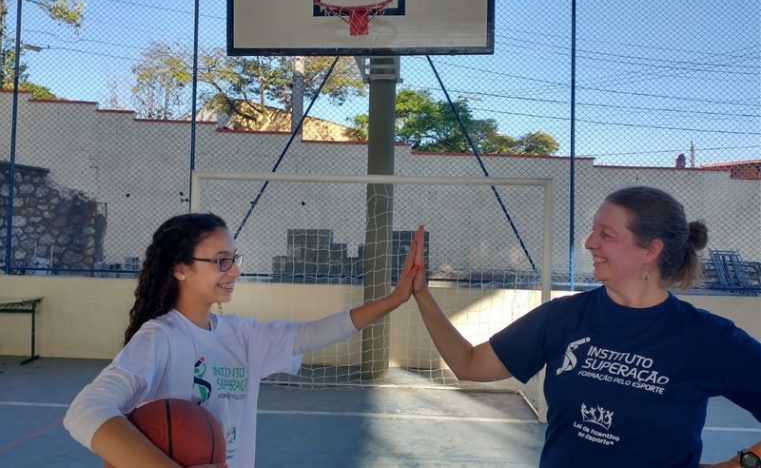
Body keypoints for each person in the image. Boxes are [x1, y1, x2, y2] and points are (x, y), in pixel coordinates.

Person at [408, 186, 761, 467]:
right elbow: (470, 364)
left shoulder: (706, 338)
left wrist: (744, 463)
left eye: (605, 234)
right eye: (593, 231)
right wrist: (422, 295)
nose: (590, 242)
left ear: (650, 250)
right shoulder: (563, 317)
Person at [64, 212, 420, 468]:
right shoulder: (161, 338)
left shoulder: (242, 336)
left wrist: (394, 299)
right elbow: (84, 412)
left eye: (233, 259)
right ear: (180, 268)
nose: (234, 271)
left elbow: (312, 334)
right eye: (221, 261)